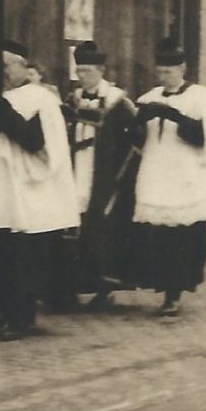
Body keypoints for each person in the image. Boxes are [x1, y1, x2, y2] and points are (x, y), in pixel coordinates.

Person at [0, 40, 81, 341]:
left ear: (24, 66)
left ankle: (20, 315)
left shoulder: (40, 99)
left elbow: (40, 147)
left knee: (20, 256)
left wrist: (10, 119)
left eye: (6, 65)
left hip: (22, 194)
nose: (0, 72)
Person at [125, 40, 206, 318]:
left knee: (180, 238)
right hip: (156, 174)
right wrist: (134, 122)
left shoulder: (200, 97)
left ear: (182, 69)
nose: (164, 78)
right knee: (157, 237)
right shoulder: (149, 97)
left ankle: (175, 293)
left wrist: (172, 114)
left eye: (169, 72)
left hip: (185, 177)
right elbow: (136, 142)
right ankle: (162, 286)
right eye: (160, 73)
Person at [58, 40, 138, 311]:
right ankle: (69, 287)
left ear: (101, 70)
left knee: (100, 230)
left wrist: (120, 172)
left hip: (101, 172)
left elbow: (136, 137)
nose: (82, 76)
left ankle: (104, 288)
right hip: (75, 167)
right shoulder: (72, 98)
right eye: (79, 70)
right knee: (72, 227)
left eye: (88, 71)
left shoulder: (118, 101)